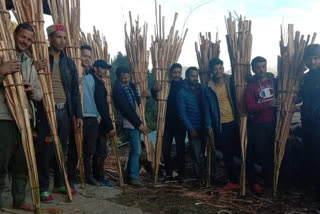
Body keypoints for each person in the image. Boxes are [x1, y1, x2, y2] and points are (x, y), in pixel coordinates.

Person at [0, 23, 44, 211]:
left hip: (25, 117)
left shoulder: (28, 62)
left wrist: (31, 90)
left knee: (22, 163)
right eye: (23, 36)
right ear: (15, 34)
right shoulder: (2, 54)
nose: (25, 41)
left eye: (29, 39)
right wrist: (2, 71)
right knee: (1, 162)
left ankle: (19, 200)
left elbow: (40, 94)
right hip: (4, 117)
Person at [37, 24, 82, 202]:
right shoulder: (41, 57)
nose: (62, 41)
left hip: (65, 110)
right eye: (58, 37)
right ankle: (42, 187)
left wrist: (78, 114)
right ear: (50, 38)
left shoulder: (69, 62)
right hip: (47, 108)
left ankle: (59, 183)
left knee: (60, 148)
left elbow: (74, 90)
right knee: (45, 149)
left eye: (64, 38)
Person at [203, 57, 241, 190]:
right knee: (227, 153)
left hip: (236, 121)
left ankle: (247, 178)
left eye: (220, 68)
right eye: (215, 69)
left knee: (241, 150)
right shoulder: (208, 87)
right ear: (211, 71)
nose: (218, 71)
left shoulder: (231, 81)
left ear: (223, 69)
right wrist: (208, 126)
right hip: (221, 125)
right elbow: (207, 109)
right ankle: (233, 180)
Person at [112, 66, 148, 187]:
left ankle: (129, 176)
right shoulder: (117, 89)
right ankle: (133, 176)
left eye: (128, 77)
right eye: (124, 78)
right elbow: (126, 110)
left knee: (134, 149)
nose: (127, 80)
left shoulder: (131, 87)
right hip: (130, 124)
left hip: (136, 122)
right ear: (118, 78)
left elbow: (136, 103)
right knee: (136, 150)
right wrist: (139, 125)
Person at [245, 56, 277, 193]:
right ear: (253, 69)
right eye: (258, 67)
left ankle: (276, 181)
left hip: (276, 122)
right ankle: (268, 184)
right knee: (264, 154)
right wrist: (268, 104)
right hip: (260, 125)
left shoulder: (273, 82)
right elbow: (250, 107)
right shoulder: (251, 87)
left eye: (263, 66)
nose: (261, 70)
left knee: (275, 151)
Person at [82, 59, 115, 186]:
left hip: (99, 120)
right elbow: (101, 105)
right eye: (102, 68)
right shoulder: (91, 80)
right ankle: (89, 177)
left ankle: (99, 176)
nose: (105, 70)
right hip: (93, 119)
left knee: (101, 151)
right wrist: (110, 126)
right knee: (90, 149)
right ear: (95, 68)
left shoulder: (100, 82)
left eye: (107, 68)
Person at [152, 63, 186, 183]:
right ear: (171, 73)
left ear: (181, 73)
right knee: (165, 149)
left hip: (180, 123)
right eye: (175, 72)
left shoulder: (184, 85)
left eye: (178, 72)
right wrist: (153, 90)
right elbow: (157, 97)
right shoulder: (166, 85)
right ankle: (168, 173)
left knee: (180, 149)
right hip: (166, 122)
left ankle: (181, 174)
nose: (177, 75)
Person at [67, 44, 93, 185]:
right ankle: (69, 176)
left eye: (89, 57)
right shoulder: (71, 70)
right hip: (73, 113)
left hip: (87, 115)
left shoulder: (89, 75)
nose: (87, 59)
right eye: (84, 55)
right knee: (73, 147)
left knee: (86, 148)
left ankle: (84, 176)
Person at [176, 66, 204, 185]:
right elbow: (182, 114)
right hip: (194, 129)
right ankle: (199, 179)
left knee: (209, 153)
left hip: (205, 127)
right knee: (196, 155)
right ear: (187, 77)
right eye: (192, 76)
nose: (195, 78)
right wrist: (191, 129)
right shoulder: (182, 93)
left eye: (196, 76)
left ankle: (209, 176)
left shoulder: (202, 89)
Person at [301, 44, 320, 200]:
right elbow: (302, 98)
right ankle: (313, 189)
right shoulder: (307, 77)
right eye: (310, 58)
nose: (312, 62)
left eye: (316, 58)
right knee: (311, 156)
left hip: (318, 125)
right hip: (308, 125)